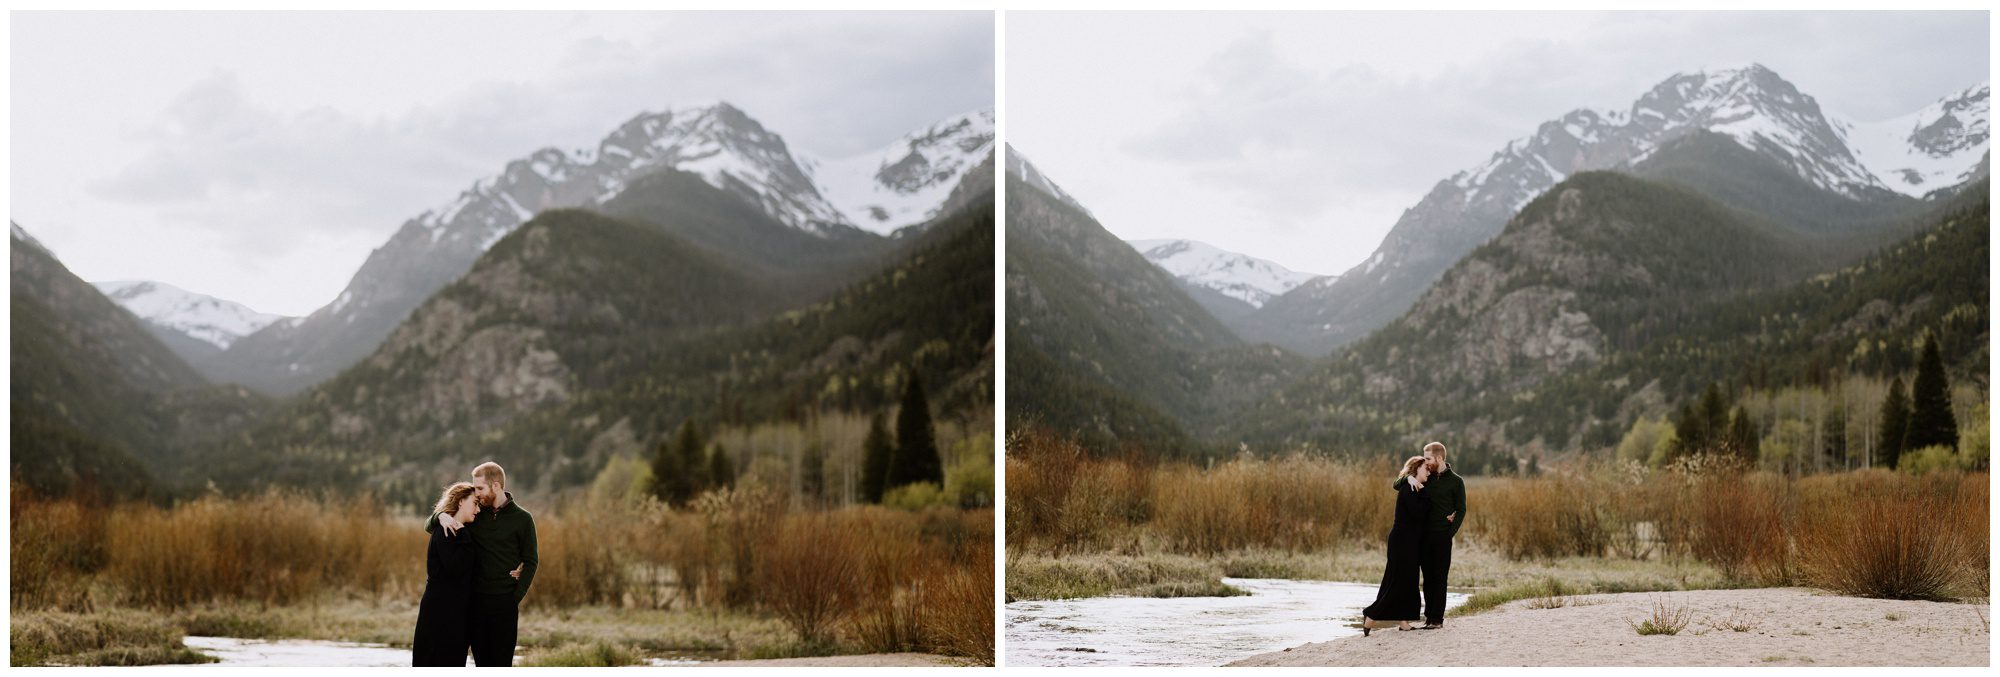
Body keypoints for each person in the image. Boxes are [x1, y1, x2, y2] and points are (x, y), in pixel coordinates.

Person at [428, 462, 538, 666]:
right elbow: (430, 525)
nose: (476, 494)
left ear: (496, 486)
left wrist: (514, 597)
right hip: (475, 604)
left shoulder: (523, 519)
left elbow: (531, 560)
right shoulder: (476, 514)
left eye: (480, 488)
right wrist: (439, 516)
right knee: (481, 663)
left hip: (504, 604)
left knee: (501, 664)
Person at [1361, 456, 1431, 635]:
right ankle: (1370, 615)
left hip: (1409, 542)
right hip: (1402, 542)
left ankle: (1404, 622)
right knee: (1397, 581)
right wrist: (1423, 492)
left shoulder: (1414, 486)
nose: (1429, 472)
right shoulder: (1410, 488)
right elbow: (1418, 514)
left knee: (1407, 581)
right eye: (1426, 468)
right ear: (1417, 469)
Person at [412, 482, 479, 666]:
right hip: (439, 612)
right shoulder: (444, 530)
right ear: (460, 501)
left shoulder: (465, 529)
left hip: (458, 613)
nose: (478, 509)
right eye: (475, 503)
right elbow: (456, 568)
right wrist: (463, 534)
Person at [1418, 441, 1466, 629]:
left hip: (1442, 537)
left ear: (1439, 458)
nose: (1425, 462)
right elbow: (1397, 484)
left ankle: (1437, 619)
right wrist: (1411, 480)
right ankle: (1428, 617)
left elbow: (1461, 509)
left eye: (1428, 458)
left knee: (1439, 578)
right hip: (1423, 536)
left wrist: (1449, 533)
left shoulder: (1456, 481)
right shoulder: (1425, 477)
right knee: (1427, 579)